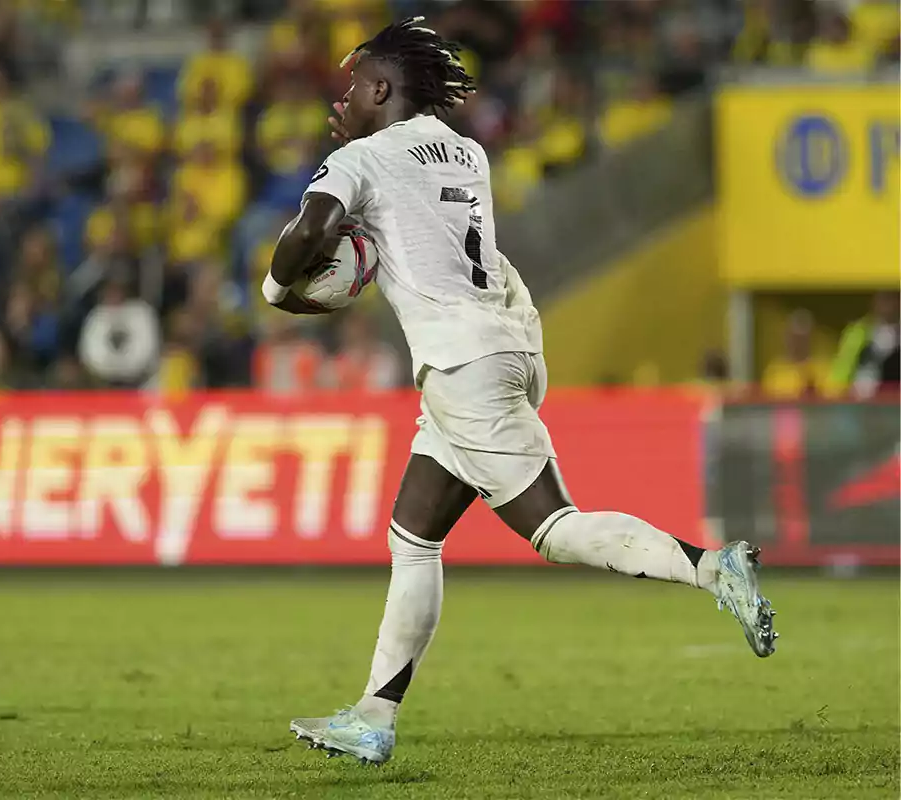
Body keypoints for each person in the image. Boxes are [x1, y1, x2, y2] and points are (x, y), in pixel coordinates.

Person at [262, 18, 778, 765]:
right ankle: (374, 716)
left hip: (463, 364)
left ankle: (709, 566)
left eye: (356, 83)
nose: (346, 96)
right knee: (414, 533)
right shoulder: (465, 149)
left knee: (554, 529)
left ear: (381, 87)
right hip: (504, 343)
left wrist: (281, 289)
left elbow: (311, 235)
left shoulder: (366, 159)